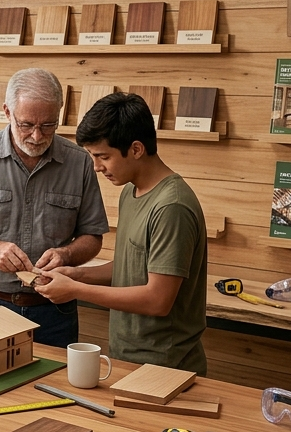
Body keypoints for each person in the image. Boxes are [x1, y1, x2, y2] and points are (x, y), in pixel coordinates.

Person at [36, 93, 209, 374]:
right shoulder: (131, 191)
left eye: (103, 156)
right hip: (129, 356)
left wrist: (76, 291)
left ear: (137, 149)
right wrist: (75, 274)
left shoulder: (171, 206)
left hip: (166, 365)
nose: (96, 167)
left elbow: (158, 300)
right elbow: (132, 267)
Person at [0, 68, 108, 347]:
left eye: (48, 125)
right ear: (7, 112)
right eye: (26, 125)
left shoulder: (79, 162)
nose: (37, 136)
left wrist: (66, 254)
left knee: (54, 389)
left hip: (54, 309)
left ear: (60, 113)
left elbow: (93, 237)